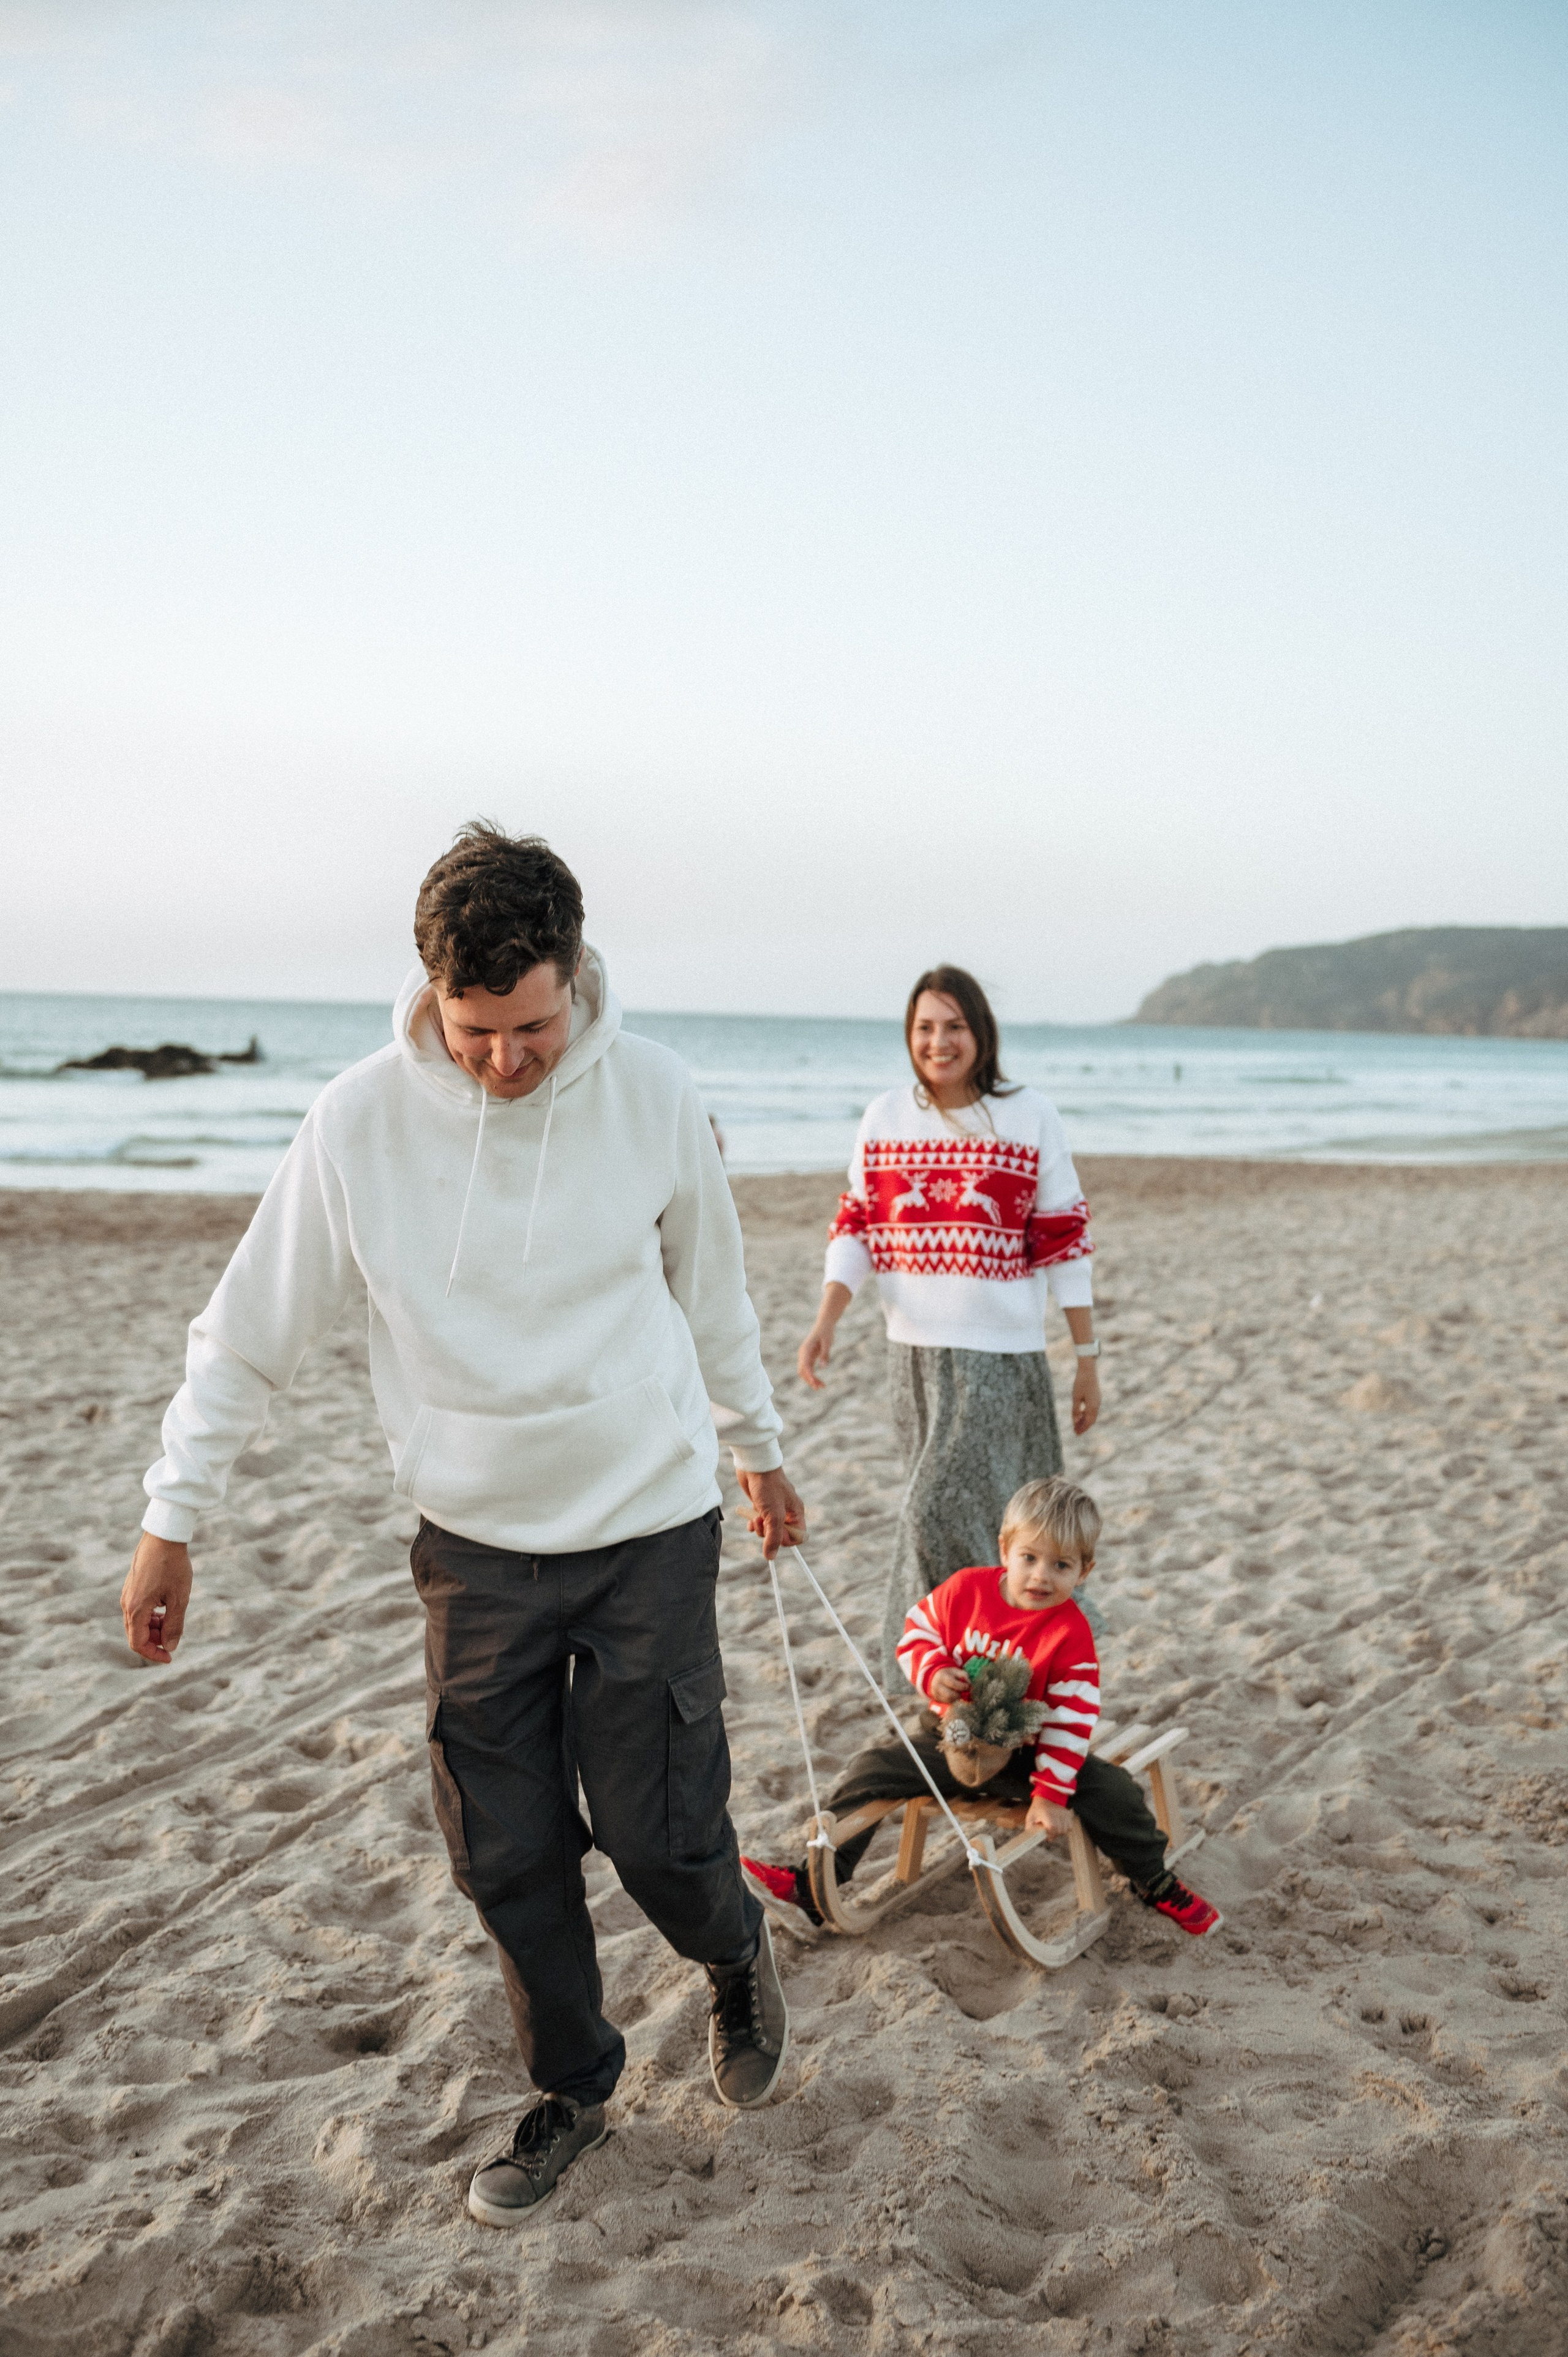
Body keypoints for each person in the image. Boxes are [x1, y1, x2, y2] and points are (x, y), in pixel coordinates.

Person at [119, 823, 807, 2231]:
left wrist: (761, 1452)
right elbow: (247, 1330)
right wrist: (170, 1517)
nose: (507, 1056)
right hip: (473, 1541)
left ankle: (731, 1948)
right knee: (502, 1846)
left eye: (535, 1024)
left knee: (657, 1826)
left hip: (645, 1517)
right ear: (433, 993)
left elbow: (715, 1294)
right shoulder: (359, 1122)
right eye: (476, 1027)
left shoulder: (656, 1095)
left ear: (580, 979)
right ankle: (572, 2085)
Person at [741, 1477, 1220, 1938]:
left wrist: (1050, 1793)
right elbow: (915, 1632)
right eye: (1029, 1558)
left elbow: (1069, 1721)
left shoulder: (1070, 1634)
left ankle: (1153, 1879)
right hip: (950, 1733)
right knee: (870, 1769)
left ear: (1085, 1571)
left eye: (1061, 1566)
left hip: (1026, 1753)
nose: (1040, 1576)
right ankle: (816, 1880)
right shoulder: (967, 1589)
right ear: (1004, 1550)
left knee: (1115, 1792)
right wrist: (932, 1671)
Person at [797, 965, 1101, 1683]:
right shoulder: (884, 1117)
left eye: (954, 1025)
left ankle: (925, 1667)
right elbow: (856, 1226)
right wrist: (825, 1320)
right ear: (909, 1036)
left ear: (980, 1032)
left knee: (934, 1511)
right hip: (913, 1358)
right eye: (925, 1027)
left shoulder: (1029, 1116)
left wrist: (1087, 1355)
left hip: (1000, 1359)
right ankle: (972, 1680)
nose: (939, 1041)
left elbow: (1065, 1241)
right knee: (981, 1531)